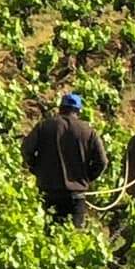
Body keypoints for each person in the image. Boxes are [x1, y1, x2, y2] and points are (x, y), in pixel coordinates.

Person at [23, 91, 109, 226]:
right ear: (78, 111)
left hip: (49, 191)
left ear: (60, 108)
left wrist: (37, 169)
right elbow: (102, 162)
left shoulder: (44, 126)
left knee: (50, 239)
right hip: (76, 195)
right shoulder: (88, 131)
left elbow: (26, 150)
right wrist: (86, 178)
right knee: (75, 238)